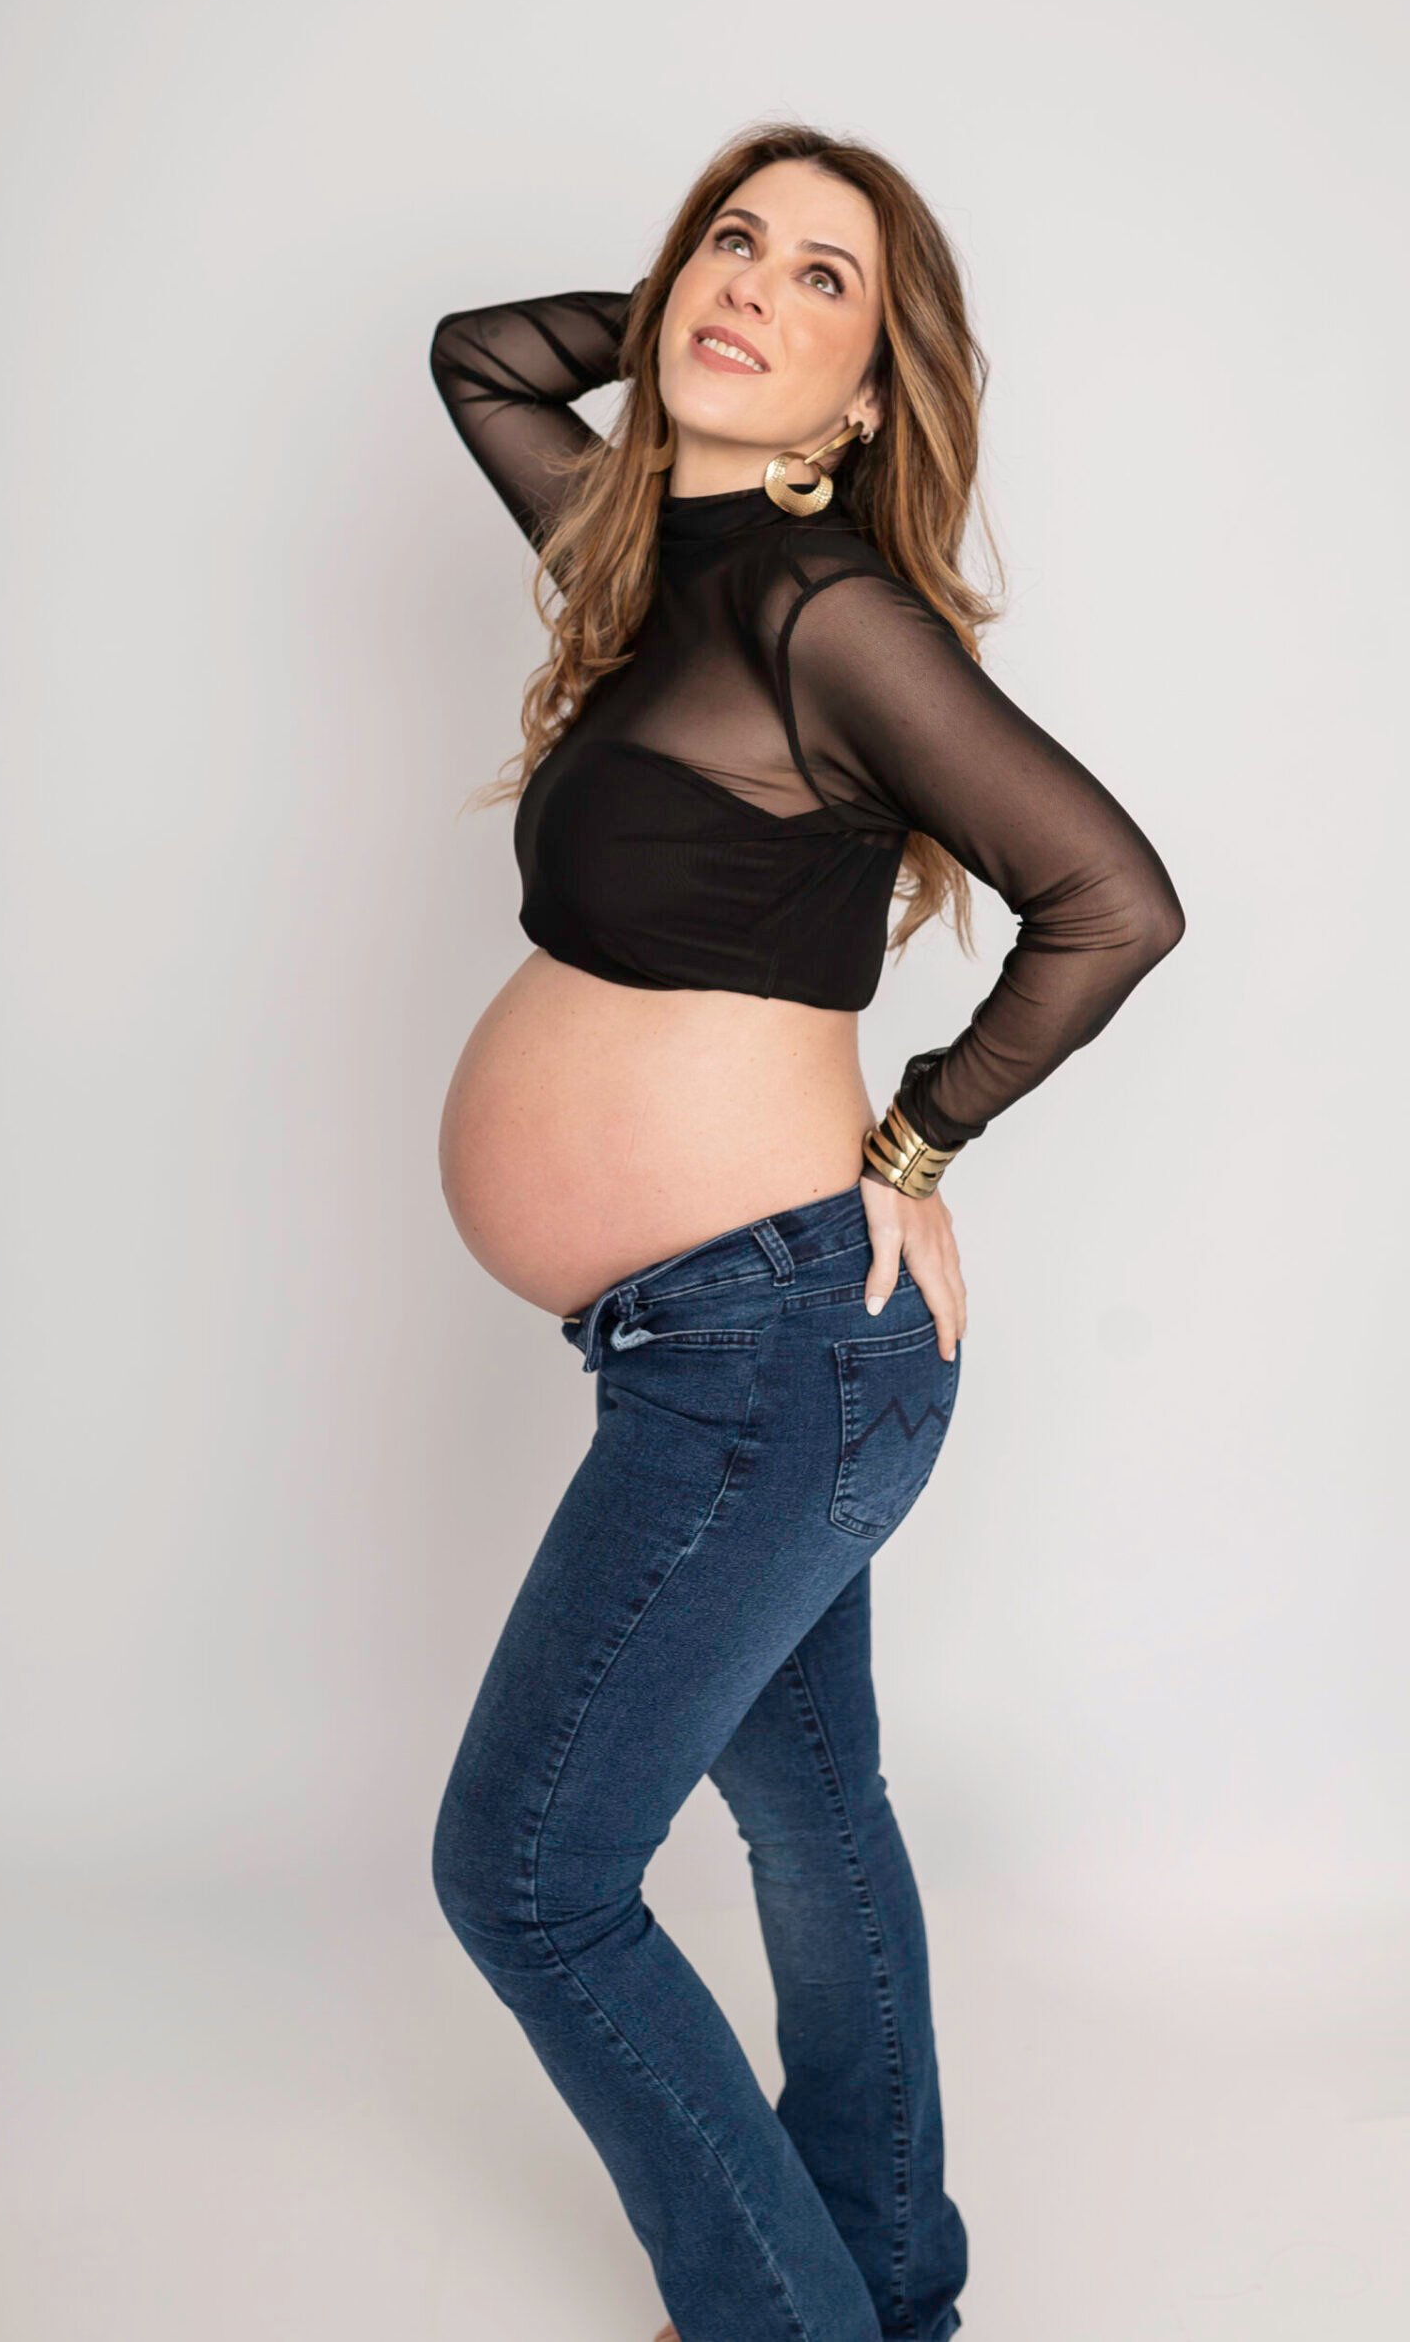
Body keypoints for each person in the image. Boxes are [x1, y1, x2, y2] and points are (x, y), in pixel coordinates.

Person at [426, 121, 1185, 2342]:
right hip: (734, 1347)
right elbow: (479, 355)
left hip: (772, 1351)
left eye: (819, 278)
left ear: (871, 394)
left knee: (528, 1878)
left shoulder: (820, 610)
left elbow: (1110, 899)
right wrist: (699, 310)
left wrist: (917, 1144)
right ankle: (888, 2281)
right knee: (814, 1813)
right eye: (731, 247)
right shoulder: (647, 560)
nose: (754, 285)